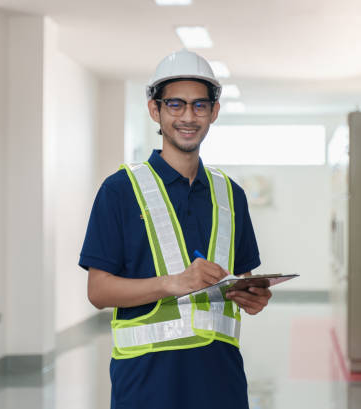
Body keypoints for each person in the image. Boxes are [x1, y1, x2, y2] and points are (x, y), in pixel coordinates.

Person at [79, 49, 272, 409]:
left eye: (200, 105)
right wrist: (174, 282)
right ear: (155, 110)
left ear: (214, 111)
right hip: (146, 388)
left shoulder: (232, 195)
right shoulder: (119, 190)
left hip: (222, 386)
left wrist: (253, 297)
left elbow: (243, 276)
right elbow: (98, 291)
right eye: (176, 105)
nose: (188, 116)